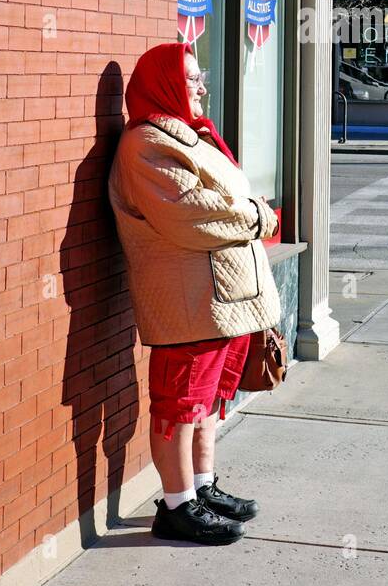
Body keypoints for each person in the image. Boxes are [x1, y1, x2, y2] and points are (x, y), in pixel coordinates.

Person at [109, 42, 281, 545]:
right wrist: (257, 216)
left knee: (207, 402)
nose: (203, 85)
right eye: (191, 78)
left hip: (222, 299)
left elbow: (215, 202)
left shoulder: (190, 138)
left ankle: (200, 488)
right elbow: (193, 215)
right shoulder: (146, 145)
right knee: (178, 406)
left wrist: (248, 212)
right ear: (164, 84)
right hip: (188, 303)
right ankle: (177, 506)